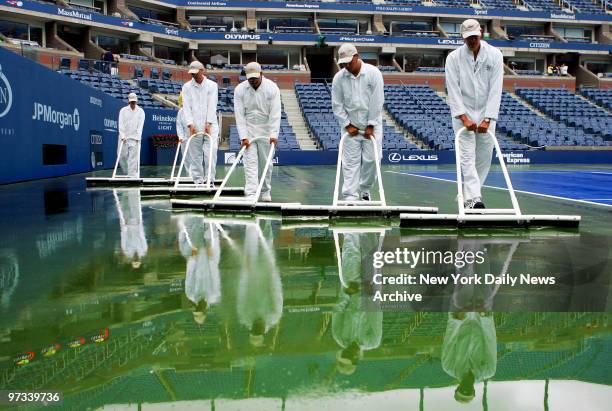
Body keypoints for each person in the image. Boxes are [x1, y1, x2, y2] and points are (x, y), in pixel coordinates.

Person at [445, 19, 503, 209]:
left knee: (484, 157)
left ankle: (470, 194)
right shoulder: (453, 58)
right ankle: (474, 199)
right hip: (464, 114)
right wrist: (463, 117)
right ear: (463, 38)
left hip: (487, 113)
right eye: (468, 38)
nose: (471, 41)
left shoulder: (495, 55)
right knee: (467, 157)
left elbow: (496, 88)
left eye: (474, 37)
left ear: (481, 32)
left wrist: (488, 118)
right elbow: (453, 90)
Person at [331, 43, 385, 202]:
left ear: (356, 56)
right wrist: (347, 125)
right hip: (350, 127)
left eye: (349, 62)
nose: (346, 66)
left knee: (372, 160)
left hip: (372, 126)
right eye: (343, 63)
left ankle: (365, 190)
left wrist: (371, 124)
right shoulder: (339, 79)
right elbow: (337, 104)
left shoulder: (373, 73)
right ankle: (350, 196)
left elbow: (377, 100)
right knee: (350, 163)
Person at [234, 62, 281, 202]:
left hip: (266, 131)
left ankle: (266, 191)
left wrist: (274, 134)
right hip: (249, 130)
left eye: (255, 77)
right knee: (250, 163)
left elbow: (275, 113)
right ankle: (251, 193)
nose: (253, 80)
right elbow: (239, 115)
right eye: (250, 78)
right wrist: (243, 136)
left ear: (261, 73)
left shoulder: (272, 88)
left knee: (266, 164)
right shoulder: (240, 90)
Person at [180, 60, 219, 186]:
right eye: (192, 73)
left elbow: (212, 105)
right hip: (193, 126)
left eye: (196, 73)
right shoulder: (186, 87)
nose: (193, 75)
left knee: (210, 154)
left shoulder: (212, 85)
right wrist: (190, 125)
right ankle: (198, 181)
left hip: (210, 125)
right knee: (195, 155)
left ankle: (210, 180)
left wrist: (209, 123)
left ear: (202, 71)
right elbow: (186, 107)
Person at [178, 216, 221, 325]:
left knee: (194, 227)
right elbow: (215, 276)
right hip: (210, 259)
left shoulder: (190, 294)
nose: (197, 307)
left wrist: (193, 258)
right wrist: (211, 257)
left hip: (197, 260)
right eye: (199, 310)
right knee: (210, 229)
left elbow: (189, 275)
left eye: (196, 309)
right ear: (205, 311)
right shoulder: (214, 295)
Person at [117, 92, 145, 177]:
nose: (133, 103)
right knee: (121, 156)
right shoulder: (123, 110)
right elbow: (120, 124)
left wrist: (138, 137)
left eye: (134, 102)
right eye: (131, 102)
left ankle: (132, 175)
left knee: (133, 158)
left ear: (136, 101)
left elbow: (140, 126)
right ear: (128, 101)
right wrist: (122, 136)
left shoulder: (141, 112)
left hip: (135, 138)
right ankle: (127, 173)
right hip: (124, 137)